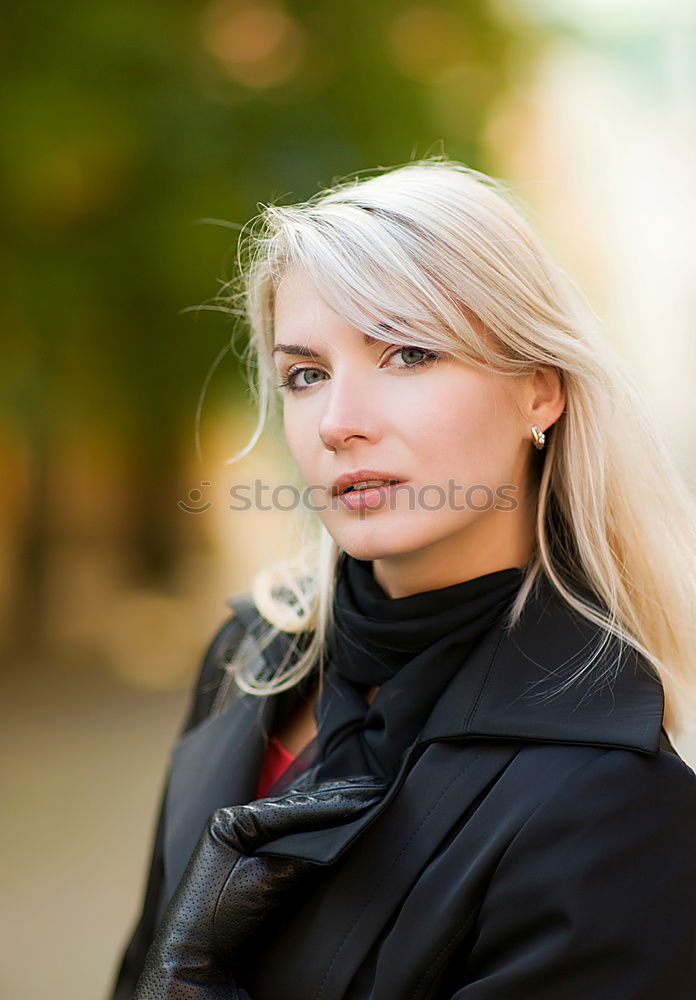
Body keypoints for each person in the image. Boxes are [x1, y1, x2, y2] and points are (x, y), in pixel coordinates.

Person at [111, 158, 696, 999]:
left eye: (409, 353)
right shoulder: (251, 656)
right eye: (306, 375)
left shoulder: (613, 802)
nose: (340, 423)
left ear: (540, 391)